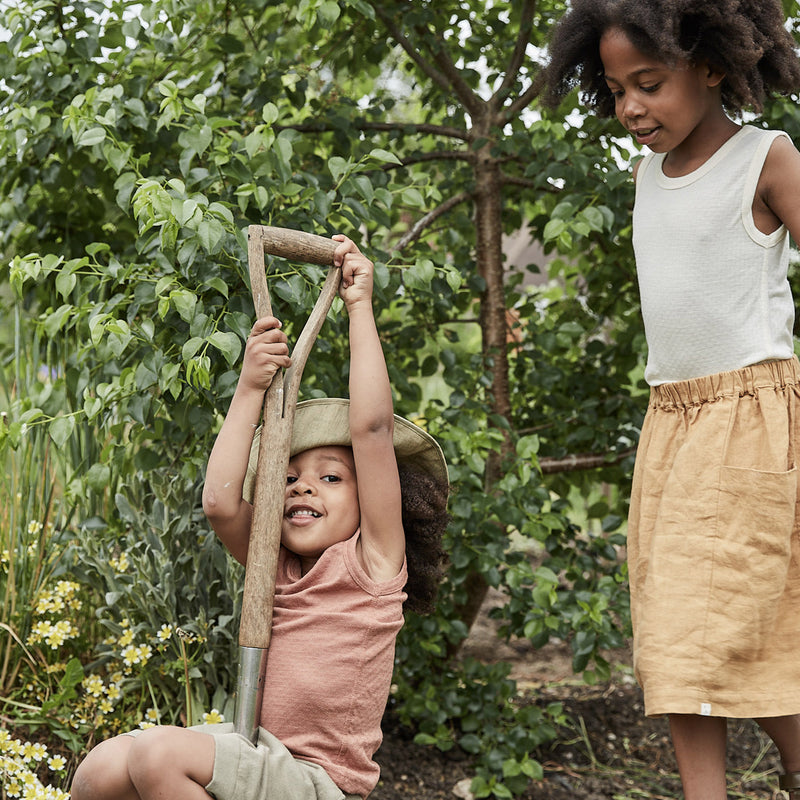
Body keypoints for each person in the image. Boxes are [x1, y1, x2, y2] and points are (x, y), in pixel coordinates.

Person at [70, 235, 450, 800]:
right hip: (261, 753)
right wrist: (249, 387)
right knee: (100, 771)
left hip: (319, 782)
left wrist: (360, 308)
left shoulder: (372, 565)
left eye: (329, 477)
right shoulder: (271, 561)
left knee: (158, 754)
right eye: (290, 476)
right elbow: (221, 502)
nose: (302, 485)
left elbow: (370, 432)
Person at [543, 1, 800, 798]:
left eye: (648, 84)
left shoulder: (769, 158)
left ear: (714, 65)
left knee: (752, 629)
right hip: (673, 424)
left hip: (752, 423)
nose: (629, 108)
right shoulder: (645, 174)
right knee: (679, 634)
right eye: (616, 89)